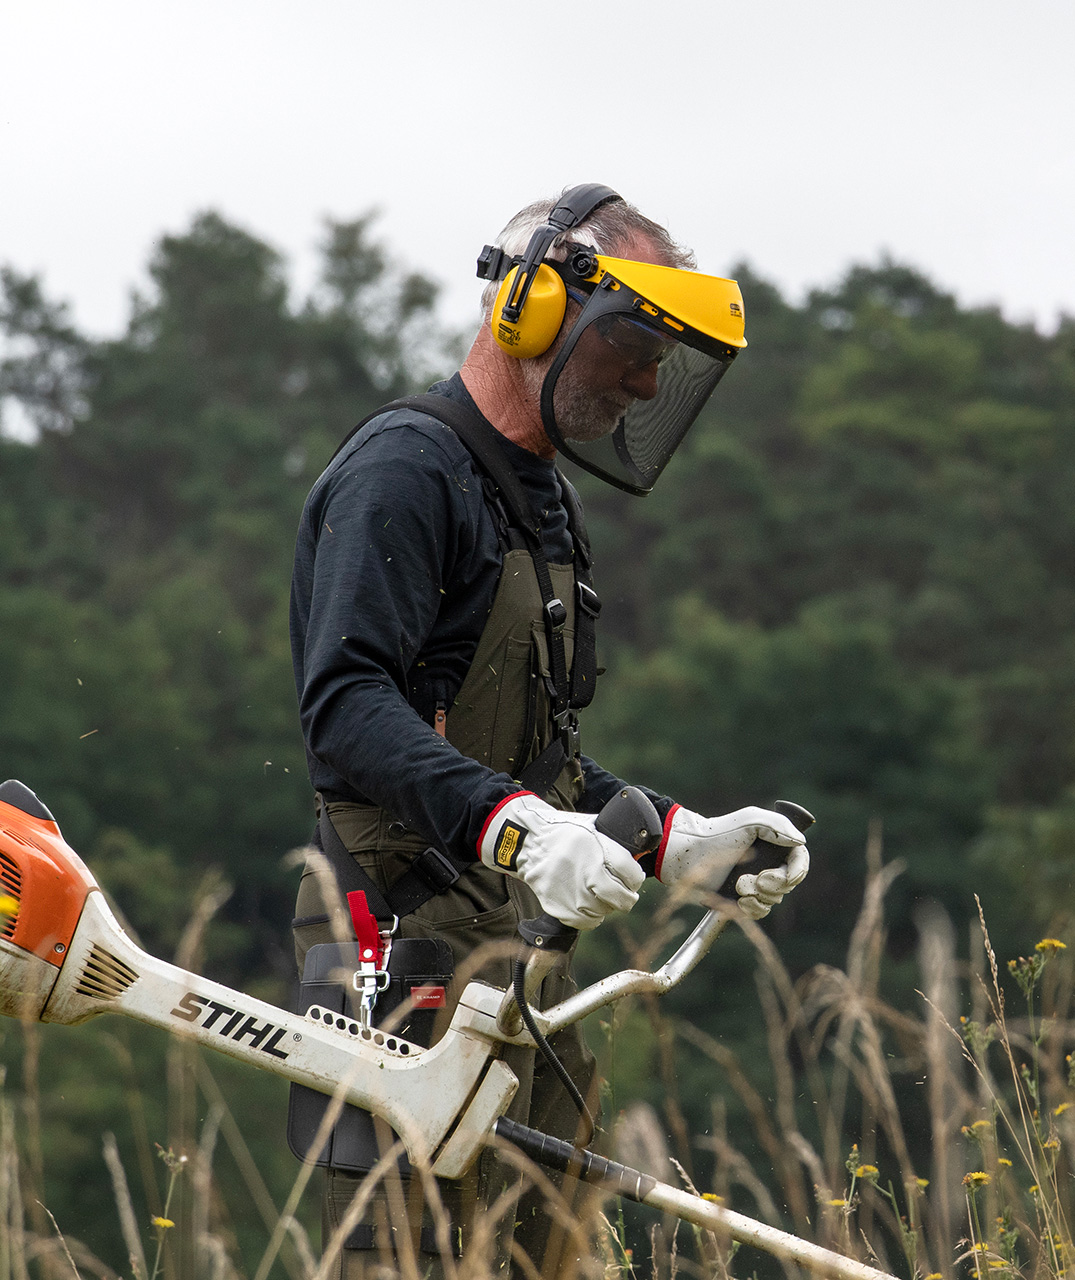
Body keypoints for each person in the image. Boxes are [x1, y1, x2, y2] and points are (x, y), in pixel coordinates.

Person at [288, 184, 810, 1277]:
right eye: (633, 340)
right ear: (530, 310)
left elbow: (534, 762)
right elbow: (345, 709)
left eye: (663, 357)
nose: (647, 379)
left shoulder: (539, 499)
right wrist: (520, 830)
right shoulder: (404, 471)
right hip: (398, 954)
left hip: (516, 962)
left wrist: (679, 839)